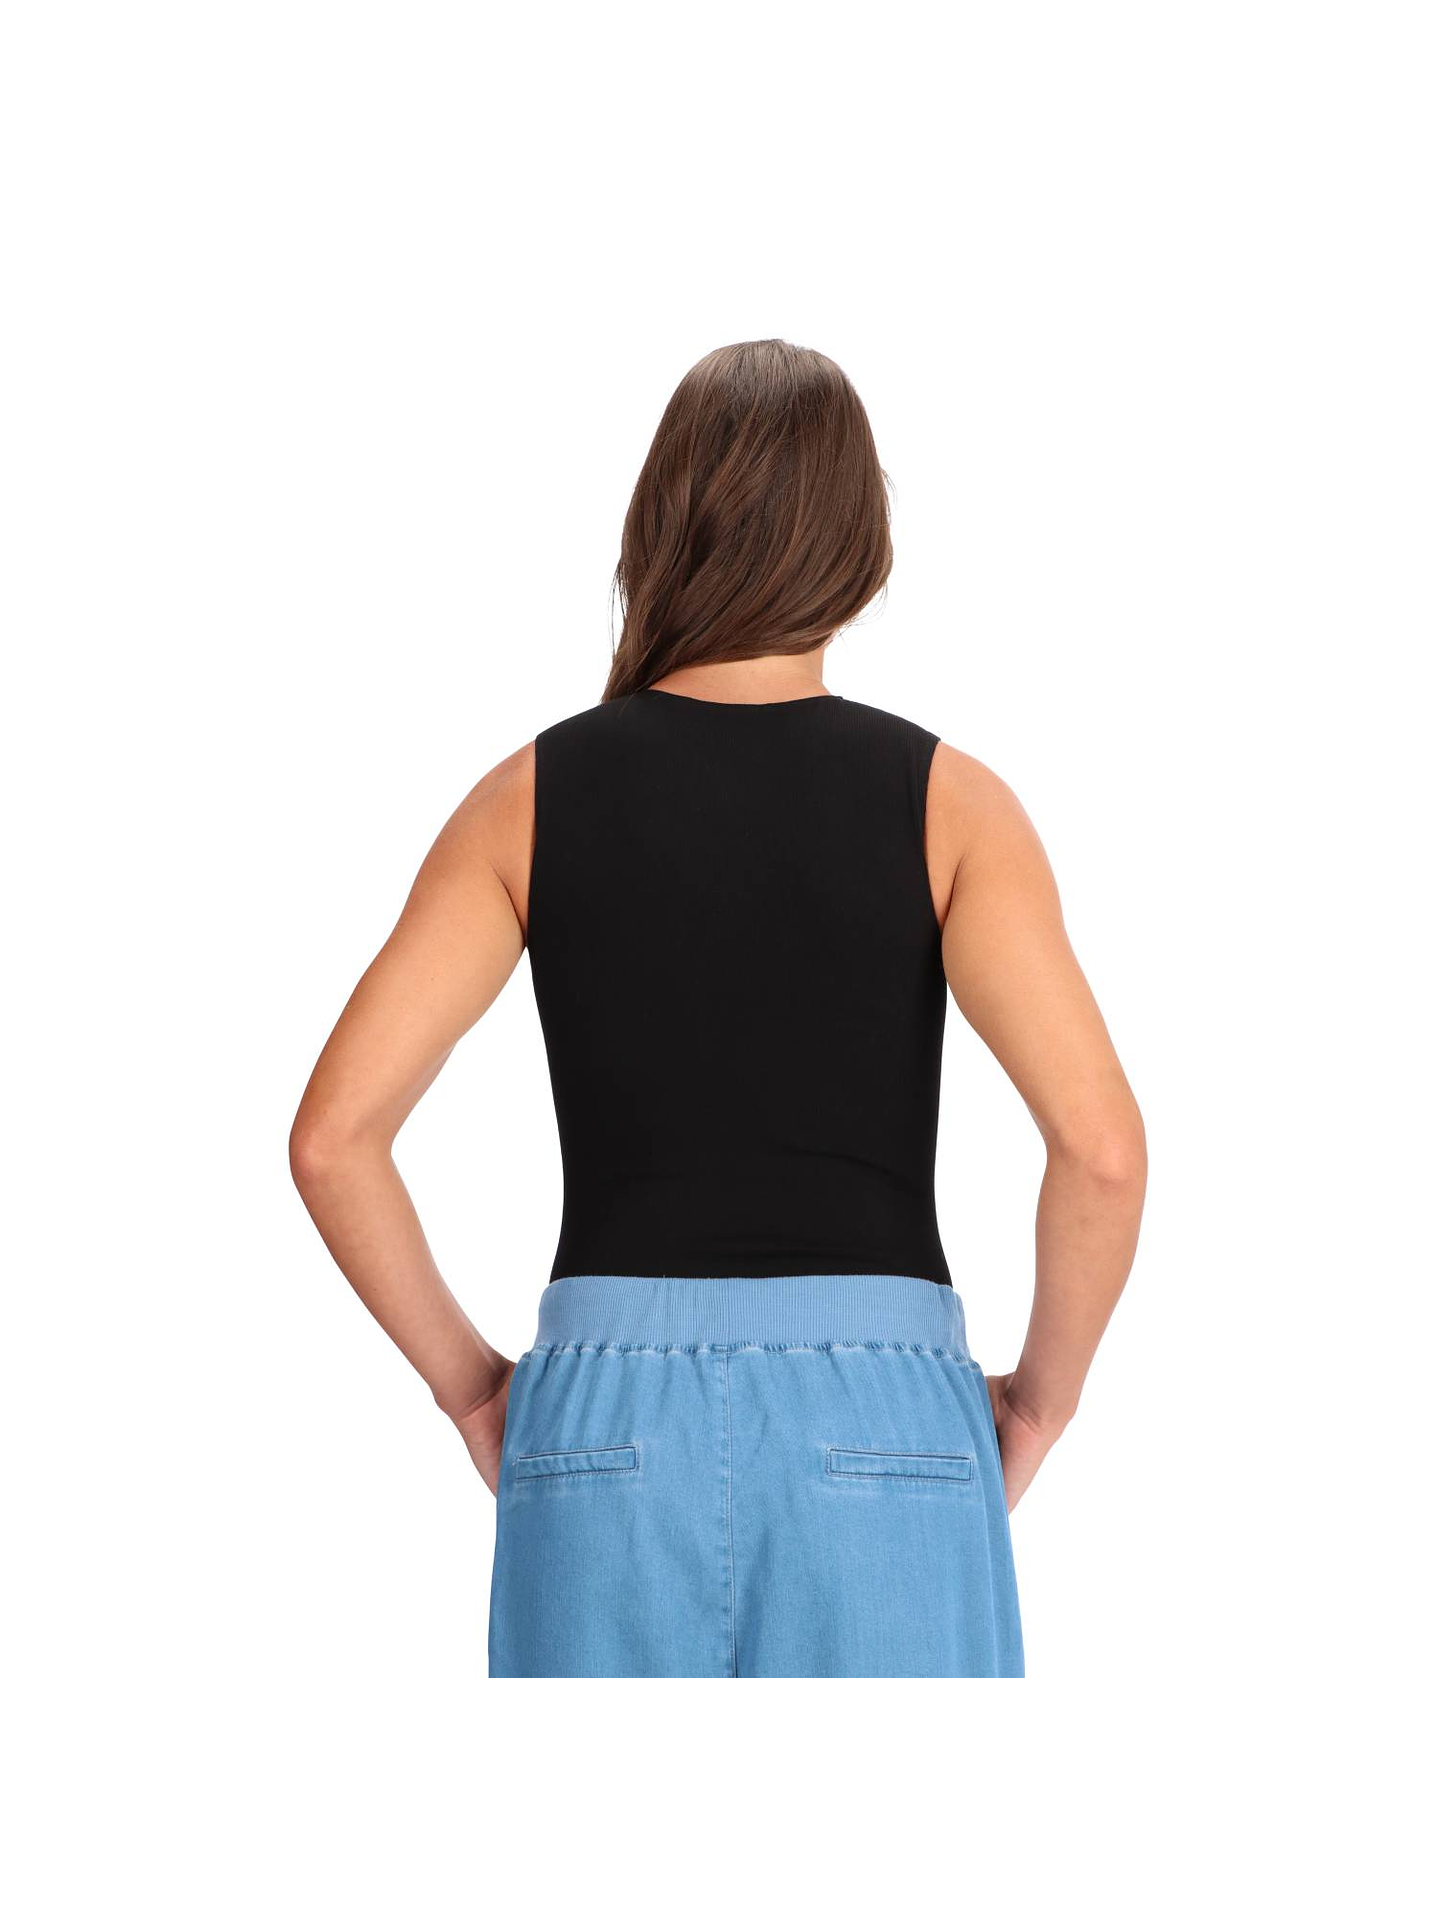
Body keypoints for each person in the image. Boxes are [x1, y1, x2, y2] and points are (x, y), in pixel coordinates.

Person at [290, 339, 1147, 1679]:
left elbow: (334, 1139)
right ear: (858, 543)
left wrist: (475, 1390)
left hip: (600, 1425)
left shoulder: (524, 799)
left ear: (658, 529)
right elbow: (1100, 1150)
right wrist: (1038, 1405)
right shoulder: (952, 806)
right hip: (887, 1423)